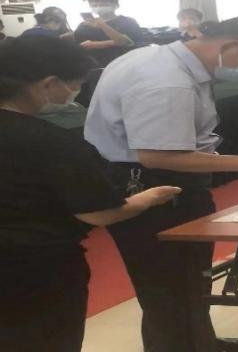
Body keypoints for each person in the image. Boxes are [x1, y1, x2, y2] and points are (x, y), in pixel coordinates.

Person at [84, 13, 238, 352]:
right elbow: (159, 156)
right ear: (231, 45)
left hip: (157, 177)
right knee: (167, 283)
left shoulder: (159, 57)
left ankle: (199, 340)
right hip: (152, 185)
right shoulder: (166, 81)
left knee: (191, 275)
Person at [0, 36, 181, 352]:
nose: (75, 93)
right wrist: (147, 198)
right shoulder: (50, 142)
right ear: (49, 84)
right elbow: (99, 213)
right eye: (75, 85)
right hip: (32, 269)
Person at [75, 0, 145, 66]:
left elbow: (129, 42)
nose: (99, 7)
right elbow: (78, 44)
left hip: (123, 62)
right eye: (94, 5)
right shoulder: (85, 24)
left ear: (116, 6)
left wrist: (95, 42)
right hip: (93, 64)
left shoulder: (128, 22)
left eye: (104, 5)